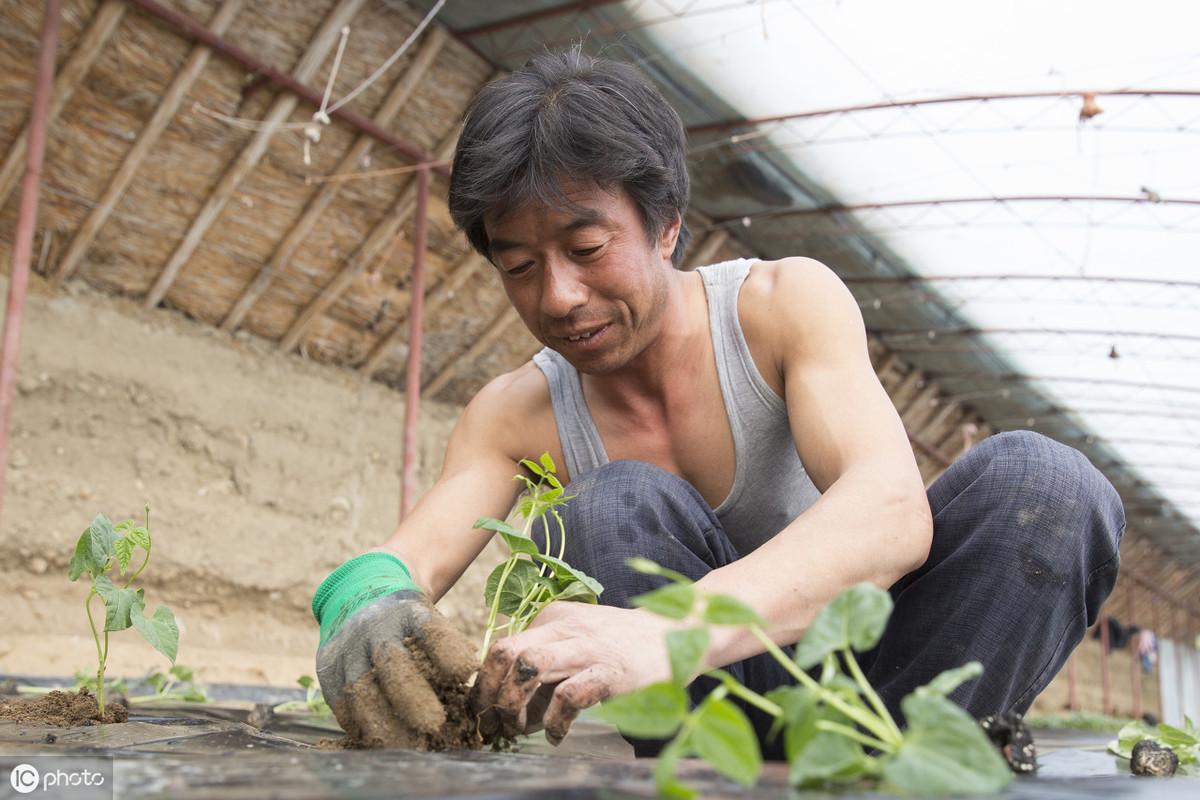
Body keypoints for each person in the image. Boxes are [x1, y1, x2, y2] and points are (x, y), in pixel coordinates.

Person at [310, 48, 1125, 758]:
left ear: (666, 225)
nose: (558, 295)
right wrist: (361, 606)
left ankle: (902, 775)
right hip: (717, 735)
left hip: (889, 686)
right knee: (611, 504)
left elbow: (889, 510)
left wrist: (672, 632)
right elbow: (403, 563)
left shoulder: (780, 307)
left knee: (1048, 486)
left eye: (588, 249)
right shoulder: (517, 414)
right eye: (519, 265)